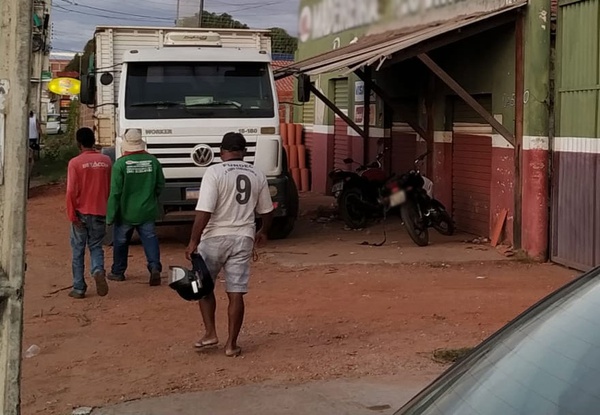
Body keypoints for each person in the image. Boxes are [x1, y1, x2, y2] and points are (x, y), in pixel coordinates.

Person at [185, 132, 275, 357]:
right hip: (243, 238)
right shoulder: (257, 173)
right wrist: (264, 231)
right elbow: (267, 210)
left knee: (204, 288)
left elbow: (204, 211)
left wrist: (193, 241)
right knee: (236, 293)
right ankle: (231, 345)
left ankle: (210, 333)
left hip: (214, 238)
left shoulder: (214, 172)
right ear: (244, 151)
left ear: (221, 152)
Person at [107, 128, 165, 286]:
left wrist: (110, 215)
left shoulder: (120, 165)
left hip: (125, 213)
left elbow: (115, 193)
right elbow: (160, 185)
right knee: (150, 239)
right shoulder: (153, 161)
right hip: (147, 211)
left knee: (120, 242)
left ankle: (118, 272)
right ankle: (154, 267)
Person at [66, 128, 112, 299]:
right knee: (95, 246)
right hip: (100, 211)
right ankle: (98, 269)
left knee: (78, 250)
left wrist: (72, 215)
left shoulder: (75, 163)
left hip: (80, 212)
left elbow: (71, 191)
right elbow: (109, 187)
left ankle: (79, 287)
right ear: (94, 141)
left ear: (79, 143)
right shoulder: (106, 161)